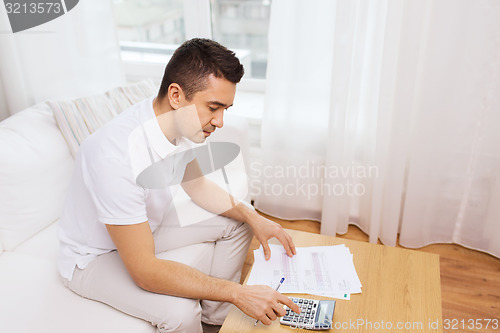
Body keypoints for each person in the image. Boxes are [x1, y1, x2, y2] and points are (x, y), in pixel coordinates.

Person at [57, 38, 300, 333]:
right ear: (176, 95)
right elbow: (144, 272)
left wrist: (255, 217)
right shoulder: (115, 156)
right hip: (93, 257)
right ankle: (217, 311)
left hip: (144, 226)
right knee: (181, 314)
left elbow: (197, 186)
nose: (220, 121)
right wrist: (237, 292)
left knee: (239, 221)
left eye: (225, 108)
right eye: (214, 107)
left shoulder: (178, 123)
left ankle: (216, 321)